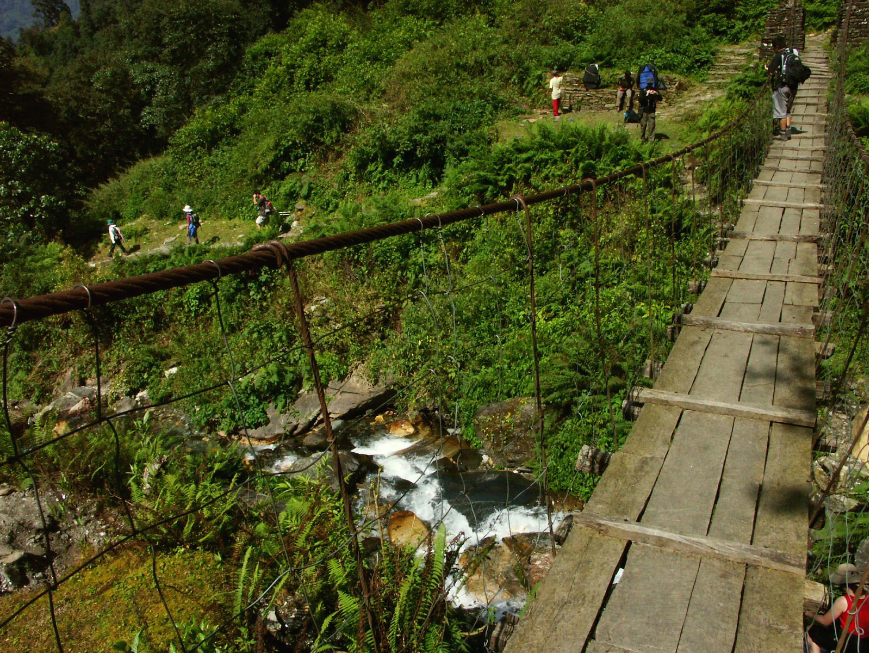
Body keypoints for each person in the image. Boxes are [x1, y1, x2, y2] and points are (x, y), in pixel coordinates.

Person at [805, 563, 869, 653]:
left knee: (812, 631)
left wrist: (809, 614)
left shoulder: (843, 601)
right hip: (865, 644)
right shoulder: (867, 598)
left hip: (847, 642)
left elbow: (825, 621)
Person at [767, 34, 795, 141]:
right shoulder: (792, 53)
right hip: (793, 86)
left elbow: (770, 71)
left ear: (777, 47)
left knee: (781, 112)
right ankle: (788, 131)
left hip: (782, 86)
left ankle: (783, 135)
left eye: (774, 47)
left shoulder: (779, 55)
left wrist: (771, 71)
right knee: (787, 109)